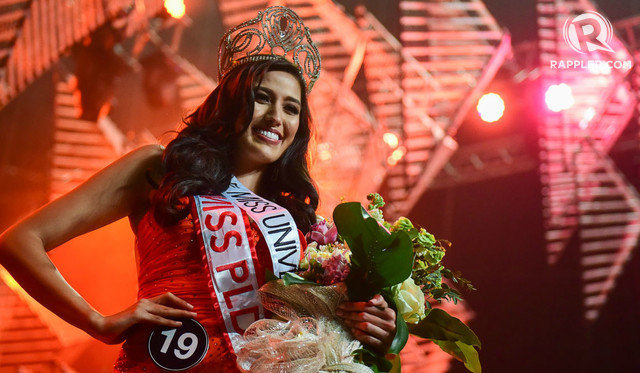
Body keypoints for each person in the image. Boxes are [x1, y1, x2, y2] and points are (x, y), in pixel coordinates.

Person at [0, 6, 396, 372]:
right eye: (262, 99)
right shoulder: (161, 167)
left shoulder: (295, 218)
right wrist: (99, 323)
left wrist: (378, 326)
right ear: (230, 101)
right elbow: (20, 241)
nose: (276, 117)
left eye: (291, 108)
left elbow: (315, 325)